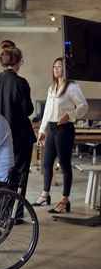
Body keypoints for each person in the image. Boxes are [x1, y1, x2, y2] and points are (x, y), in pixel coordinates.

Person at [33, 57, 88, 213]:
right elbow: (47, 112)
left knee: (64, 165)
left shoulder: (72, 87)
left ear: (66, 69)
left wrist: (69, 115)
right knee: (46, 163)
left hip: (64, 128)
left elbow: (84, 106)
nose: (56, 69)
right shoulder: (52, 88)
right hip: (51, 128)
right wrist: (42, 131)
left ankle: (65, 200)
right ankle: (45, 195)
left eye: (59, 66)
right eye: (54, 66)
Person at [0, 40, 36, 206]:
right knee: (20, 174)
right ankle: (16, 212)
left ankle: (2, 210)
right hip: (20, 136)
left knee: (4, 174)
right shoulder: (20, 82)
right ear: (17, 63)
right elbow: (28, 110)